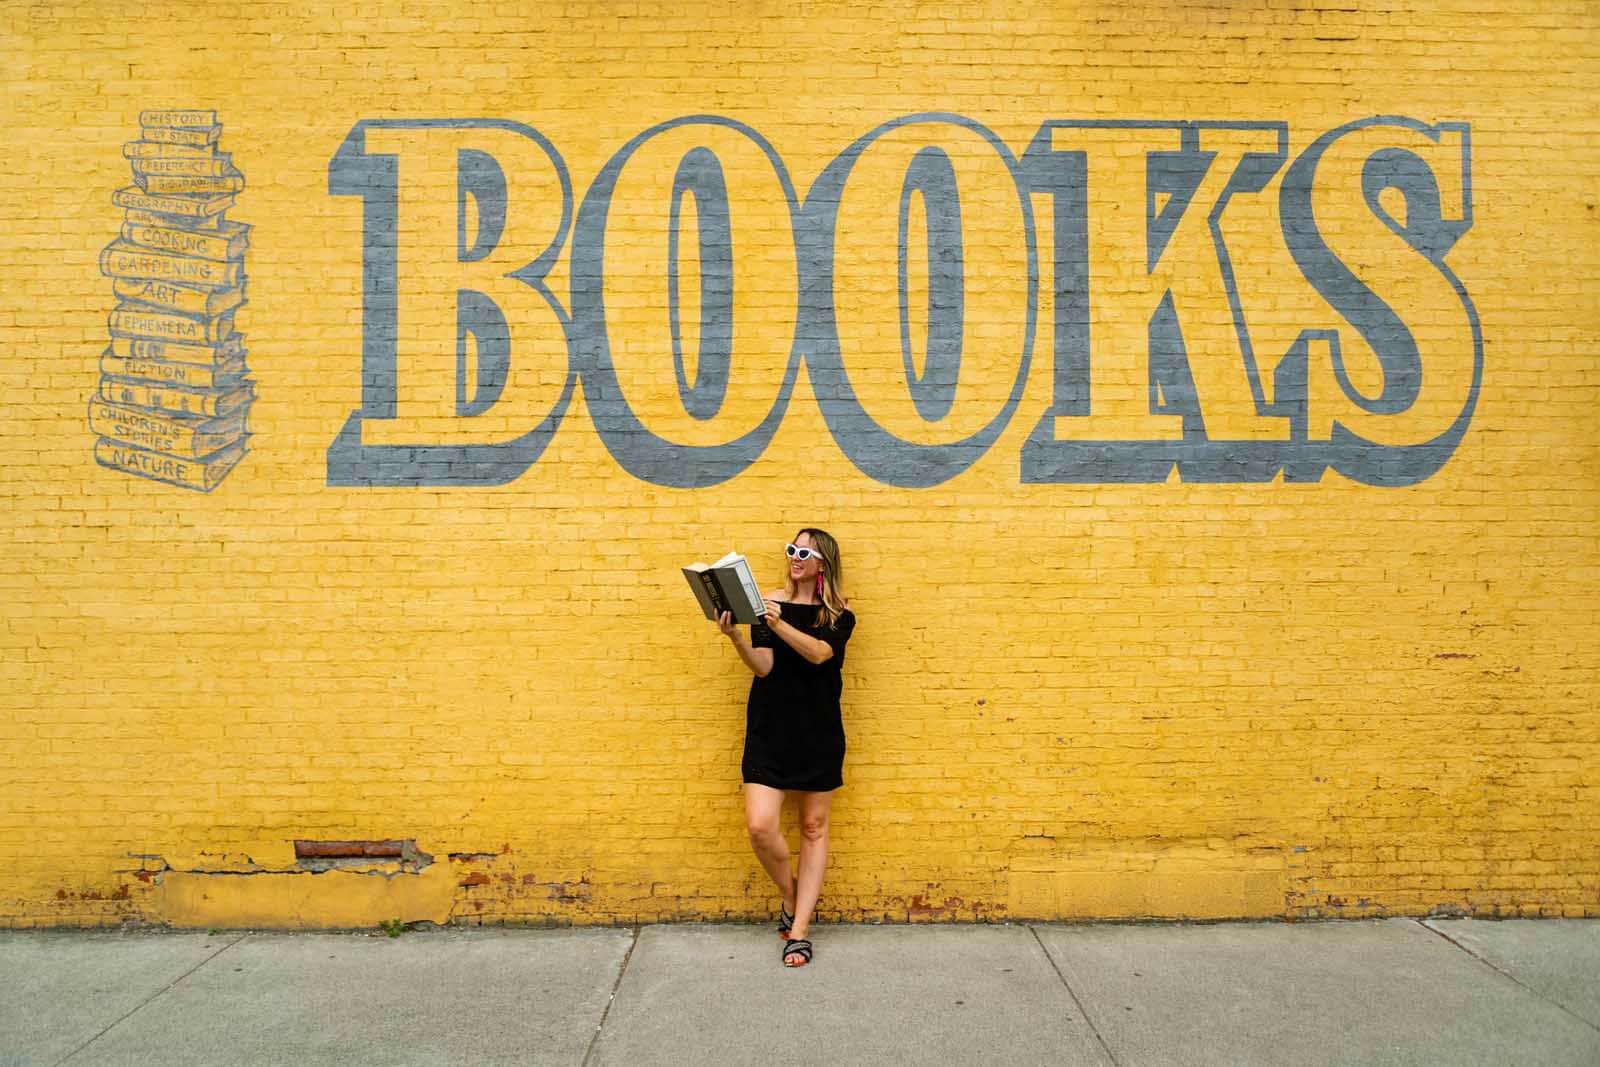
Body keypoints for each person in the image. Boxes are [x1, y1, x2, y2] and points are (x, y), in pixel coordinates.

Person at [716, 528, 856, 968]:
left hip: (818, 732)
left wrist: (779, 624)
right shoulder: (767, 606)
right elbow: (765, 667)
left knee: (813, 828)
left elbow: (819, 654)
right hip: (769, 729)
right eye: (792, 550)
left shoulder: (839, 614)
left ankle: (799, 930)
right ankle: (792, 896)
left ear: (823, 565)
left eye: (806, 553)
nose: (796, 557)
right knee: (760, 826)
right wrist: (738, 636)